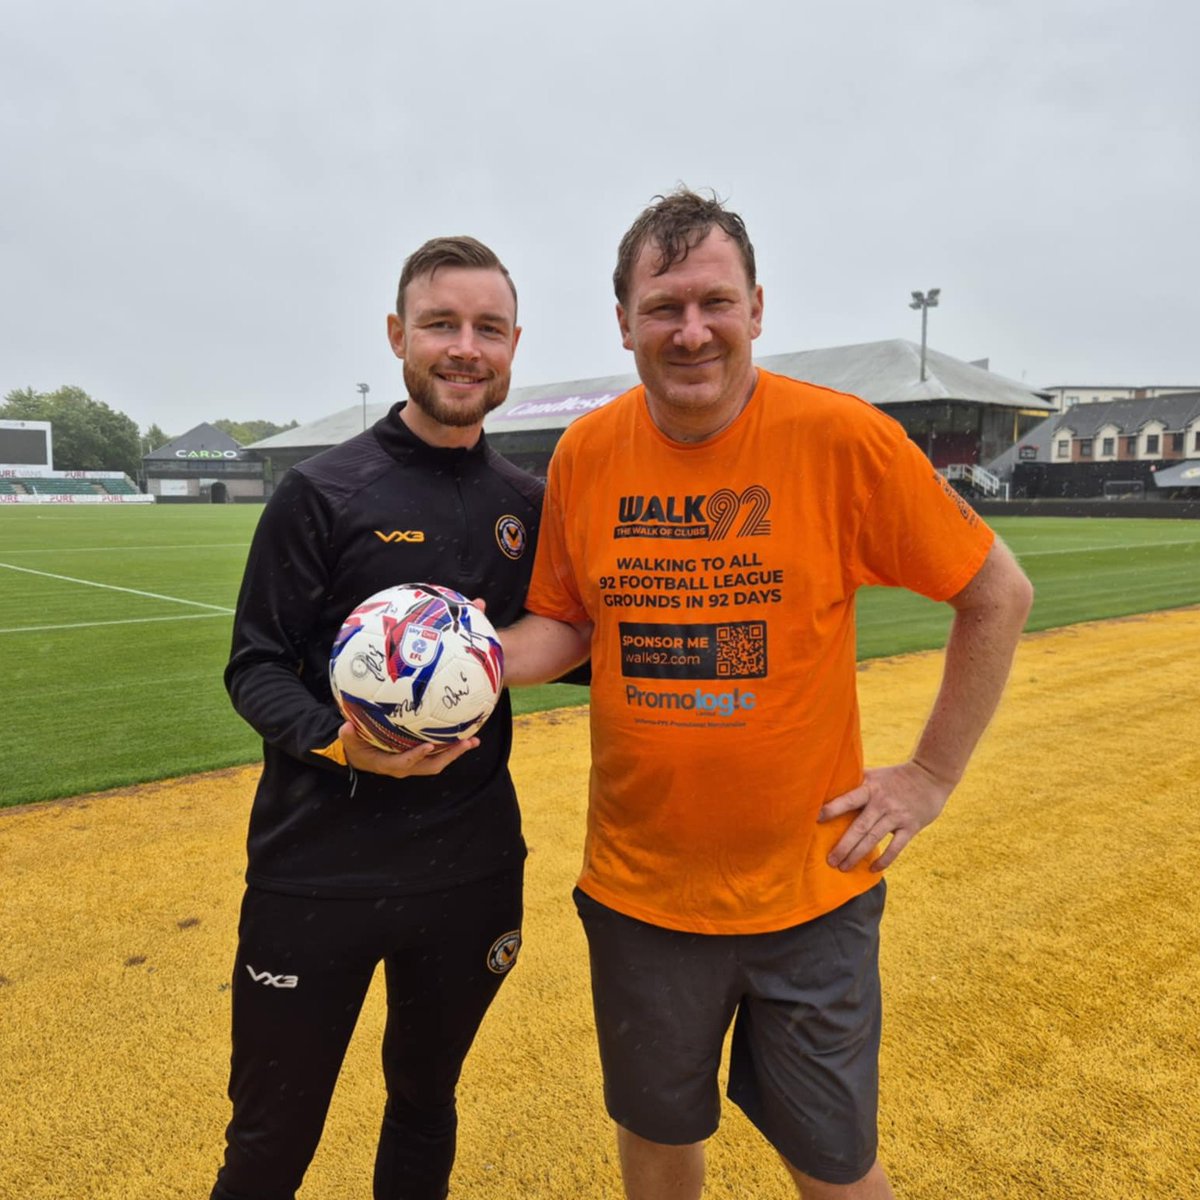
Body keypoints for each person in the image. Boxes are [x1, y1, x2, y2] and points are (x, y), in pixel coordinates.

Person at [500, 190, 1034, 1200]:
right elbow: (570, 621)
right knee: (658, 1138)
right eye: (663, 307)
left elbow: (996, 591)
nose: (690, 330)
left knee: (835, 1164)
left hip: (811, 893)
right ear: (624, 322)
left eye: (715, 302)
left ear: (756, 308)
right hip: (641, 892)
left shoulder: (843, 440)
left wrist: (928, 776)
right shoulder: (585, 453)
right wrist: (468, 663)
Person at [212, 236, 540, 1200]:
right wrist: (343, 743)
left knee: (425, 1106)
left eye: (487, 327)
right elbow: (256, 666)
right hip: (319, 873)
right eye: (441, 323)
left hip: (471, 869)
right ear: (399, 336)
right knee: (271, 1143)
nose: (464, 347)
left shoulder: (528, 502)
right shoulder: (323, 492)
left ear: (515, 344)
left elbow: (563, 642)